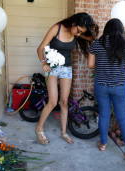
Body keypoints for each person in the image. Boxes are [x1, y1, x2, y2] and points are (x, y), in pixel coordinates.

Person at [35, 12, 99, 145]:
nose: (78, 34)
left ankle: (64, 132)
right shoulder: (56, 28)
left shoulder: (77, 32)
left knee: (64, 101)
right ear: (74, 23)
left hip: (66, 69)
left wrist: (92, 29)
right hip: (52, 68)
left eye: (81, 32)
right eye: (78, 30)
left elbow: (92, 38)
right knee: (53, 102)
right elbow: (40, 48)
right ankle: (39, 129)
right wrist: (43, 63)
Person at [88, 18, 125, 160]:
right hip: (120, 86)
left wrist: (102, 65)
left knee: (104, 115)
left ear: (106, 29)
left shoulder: (97, 43)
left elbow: (90, 65)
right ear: (121, 29)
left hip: (101, 85)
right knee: (122, 118)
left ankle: (103, 144)